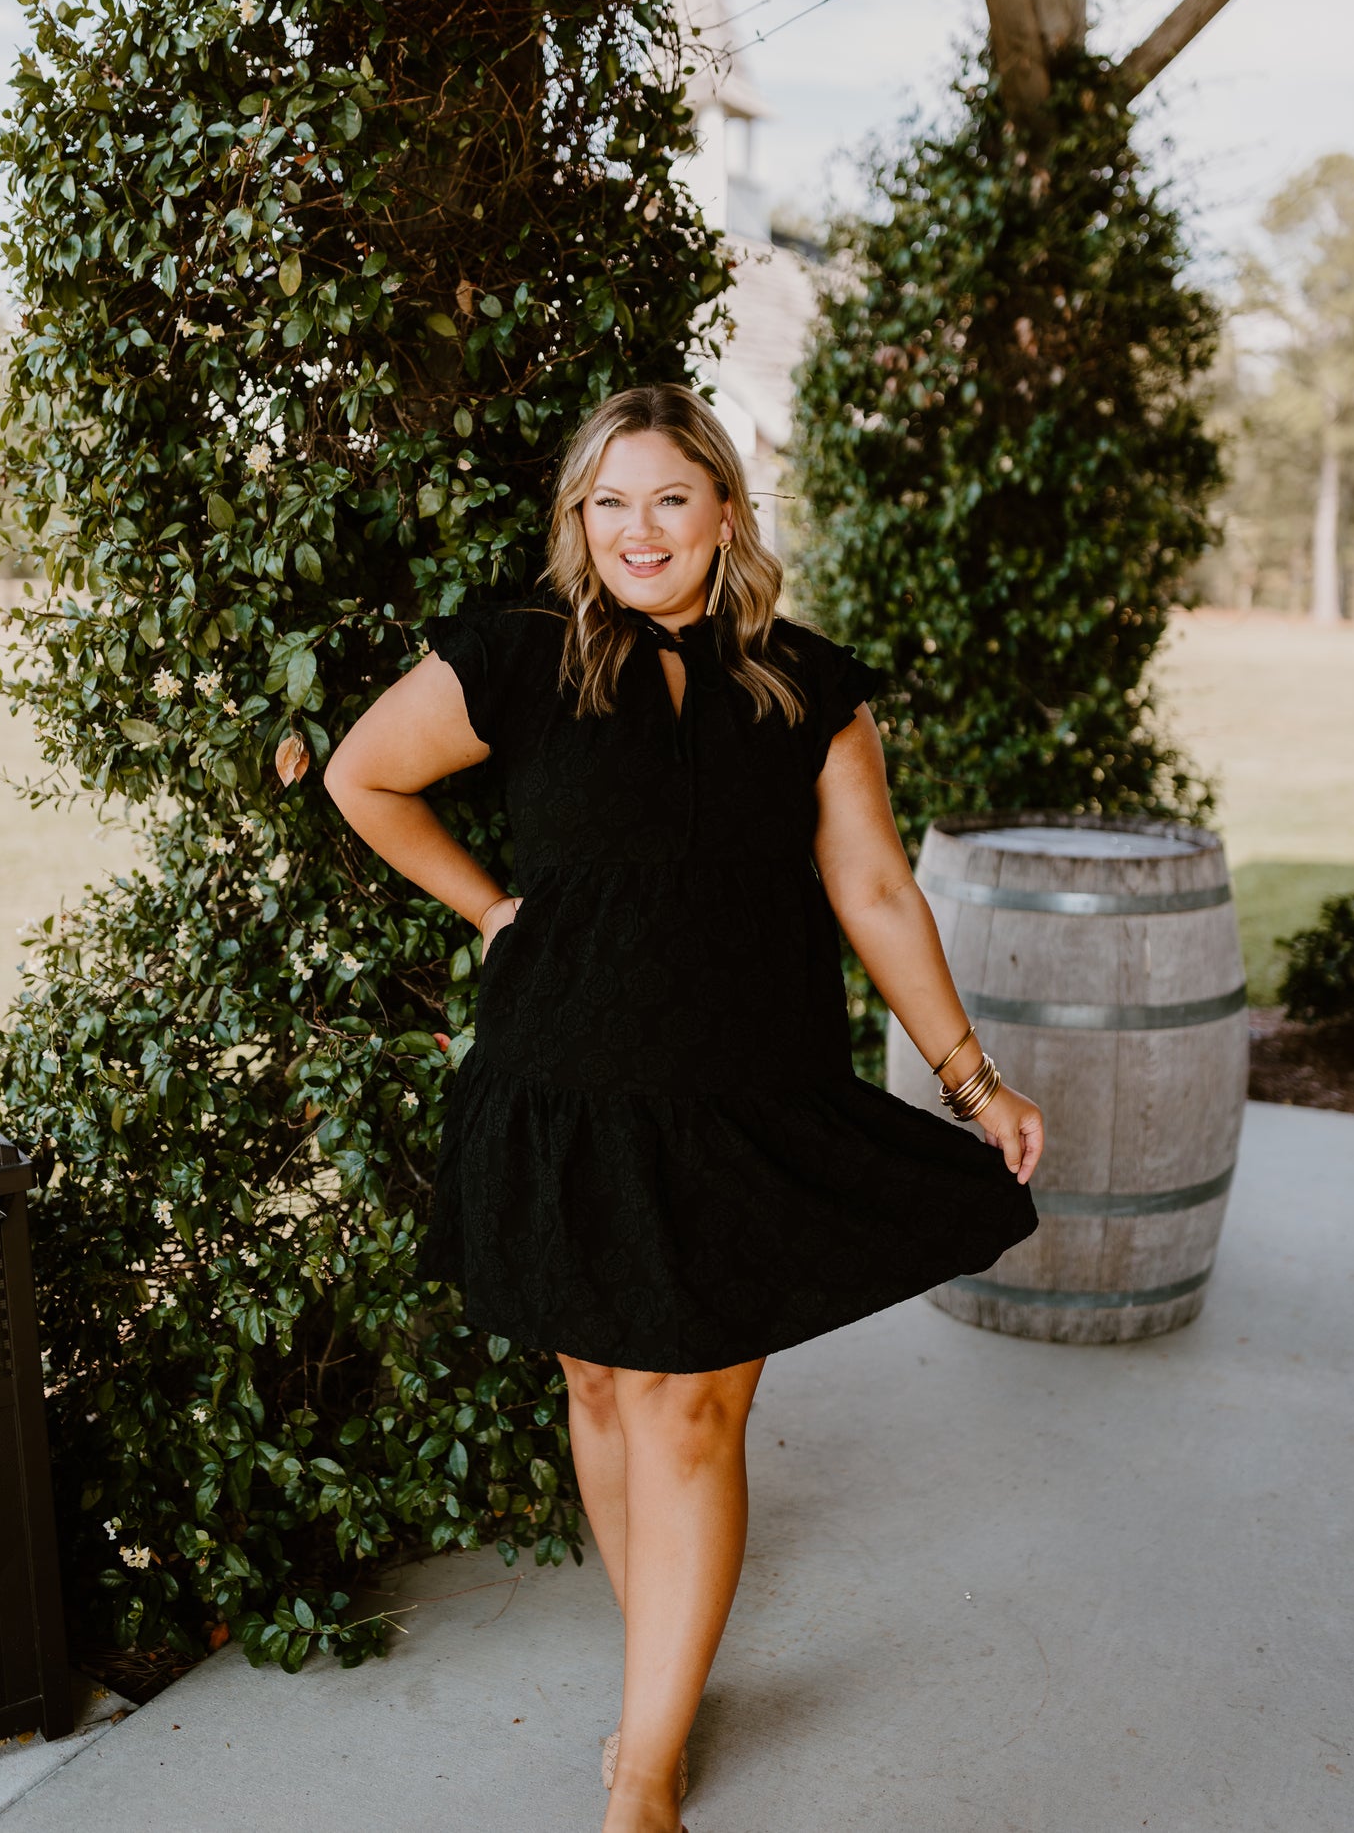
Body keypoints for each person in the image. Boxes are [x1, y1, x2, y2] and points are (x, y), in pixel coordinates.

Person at [324, 382, 1043, 1833]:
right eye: (609, 502)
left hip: (743, 1098)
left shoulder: (806, 684)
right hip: (565, 1086)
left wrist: (971, 1073)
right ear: (578, 523)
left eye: (668, 497)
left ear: (725, 511)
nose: (637, 529)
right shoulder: (517, 658)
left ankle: (645, 1768)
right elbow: (364, 776)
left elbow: (877, 890)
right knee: (600, 1383)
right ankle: (668, 1658)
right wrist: (489, 910)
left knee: (695, 1412)